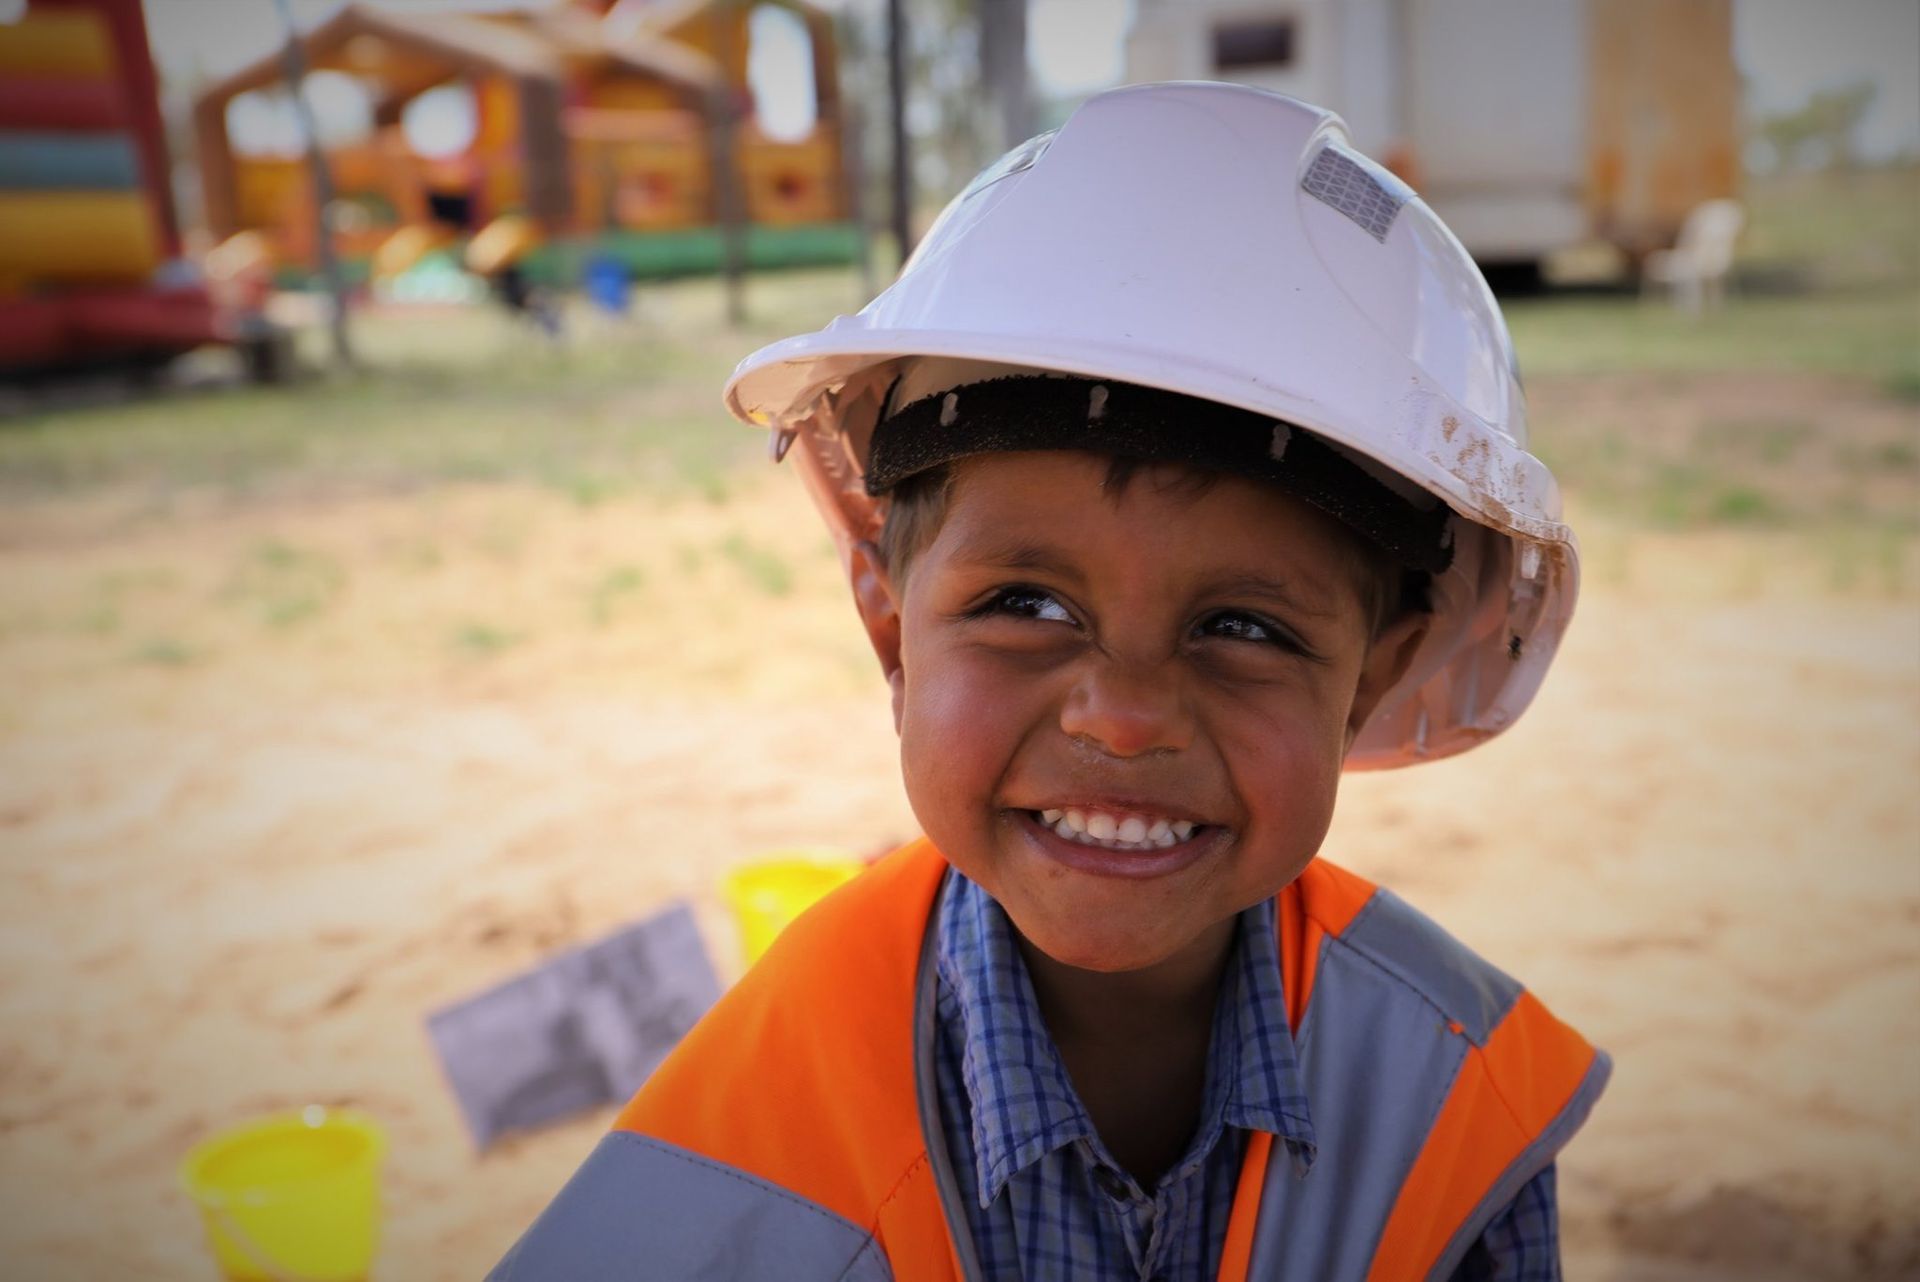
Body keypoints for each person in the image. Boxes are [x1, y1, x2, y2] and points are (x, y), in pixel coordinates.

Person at [488, 82, 1609, 1281]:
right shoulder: (720, 1164)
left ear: (1374, 672)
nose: (1125, 717)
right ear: (892, 626)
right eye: (1026, 606)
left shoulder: (1457, 1098)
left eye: (1244, 627)